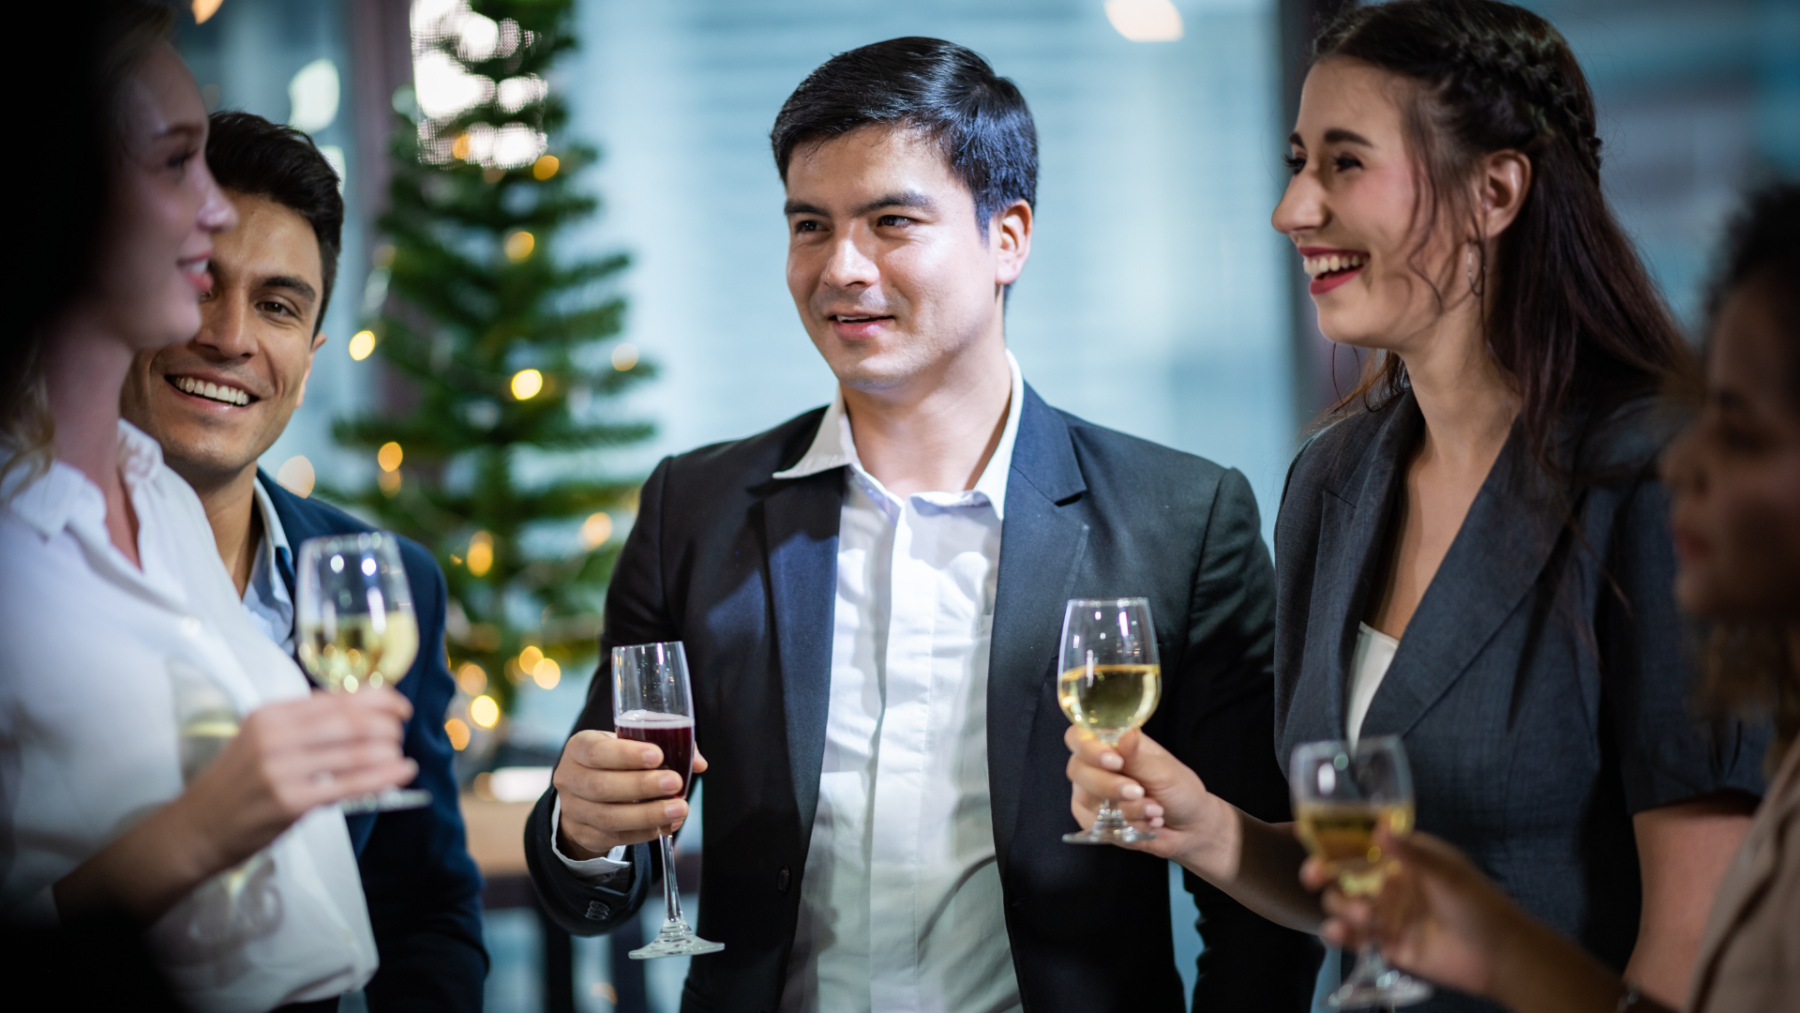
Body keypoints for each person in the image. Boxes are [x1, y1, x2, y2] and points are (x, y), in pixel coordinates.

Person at [525, 36, 1321, 1013]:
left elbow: (1257, 902)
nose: (840, 267)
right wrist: (581, 830)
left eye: (890, 221)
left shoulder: (1180, 519)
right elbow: (592, 881)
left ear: (1008, 237)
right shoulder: (694, 509)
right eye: (809, 225)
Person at [1063, 2, 1768, 1009]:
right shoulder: (1330, 483)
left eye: (1344, 164)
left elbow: (1695, 947)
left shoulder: (1653, 481)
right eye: (1296, 160)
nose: (1292, 209)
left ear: (1495, 190)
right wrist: (1210, 828)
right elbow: (1361, 887)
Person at [0, 4, 415, 1010]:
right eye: (178, 161)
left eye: (278, 303)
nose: (216, 208)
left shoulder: (159, 500)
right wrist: (203, 824)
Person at [1303, 182, 1800, 1013]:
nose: (1682, 464)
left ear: (1492, 194)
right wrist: (1495, 944)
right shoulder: (1334, 481)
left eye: (1740, 430)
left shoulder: (1618, 479)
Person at [118, 109, 487, 1010]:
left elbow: (425, 907)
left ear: (311, 354)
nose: (231, 336)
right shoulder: (35, 572)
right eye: (201, 283)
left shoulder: (394, 581)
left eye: (279, 305)